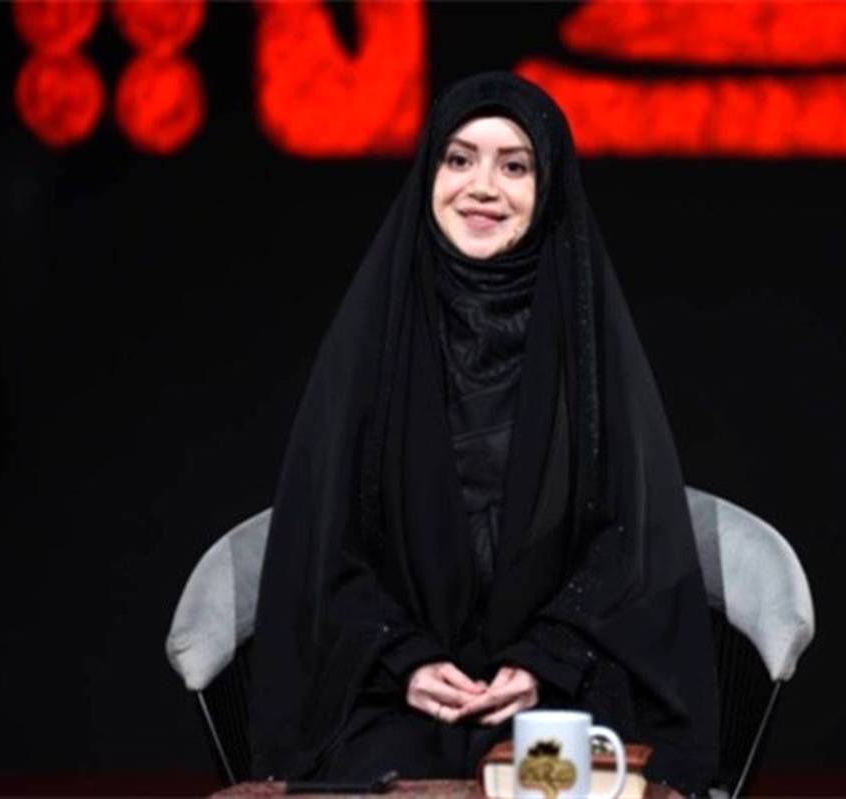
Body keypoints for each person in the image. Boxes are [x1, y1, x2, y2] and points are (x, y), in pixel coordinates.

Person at [248, 72, 720, 795]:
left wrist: (542, 660)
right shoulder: (376, 338)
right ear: (429, 174)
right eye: (459, 159)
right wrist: (403, 658)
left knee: (546, 784)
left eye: (515, 166)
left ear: (548, 186)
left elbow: (628, 548)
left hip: (557, 691)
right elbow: (325, 548)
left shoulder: (587, 345)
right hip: (391, 694)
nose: (482, 188)